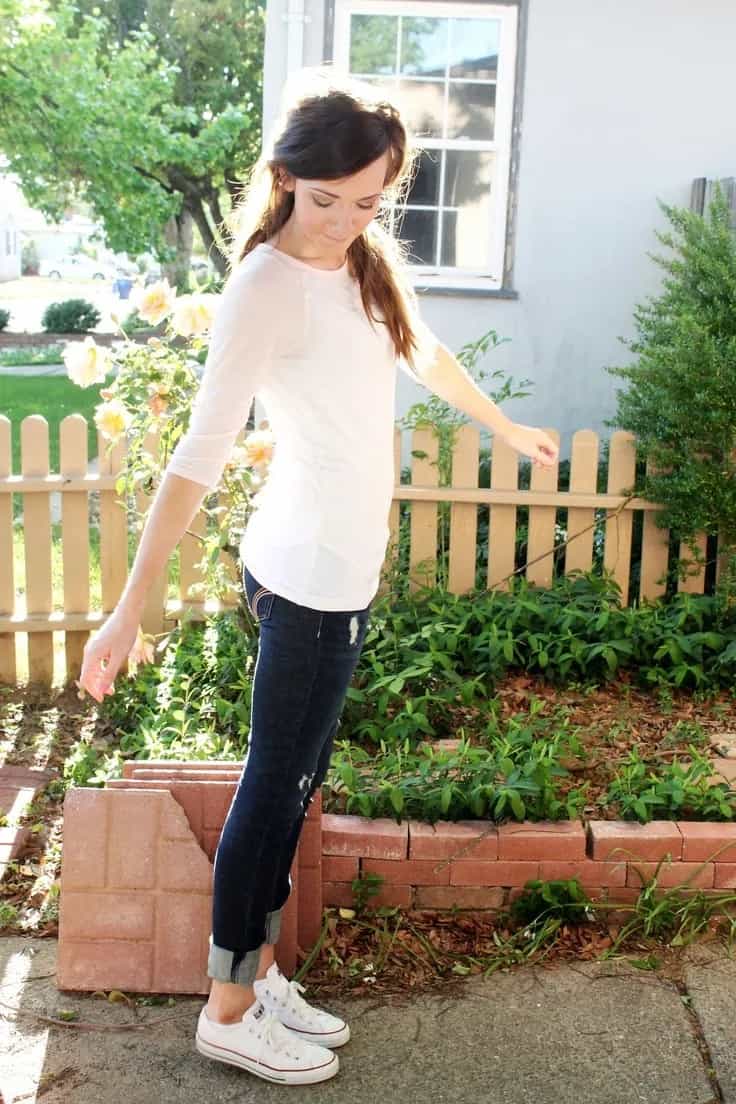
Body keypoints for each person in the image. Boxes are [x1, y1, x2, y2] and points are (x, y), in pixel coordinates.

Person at [78, 65, 558, 1087]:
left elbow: (419, 351)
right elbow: (196, 457)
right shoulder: (261, 287)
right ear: (286, 176)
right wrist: (131, 608)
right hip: (303, 574)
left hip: (340, 565)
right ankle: (228, 1006)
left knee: (291, 785)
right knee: (274, 789)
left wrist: (504, 424)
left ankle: (254, 976)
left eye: (369, 201)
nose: (344, 218)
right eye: (326, 197)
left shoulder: (363, 265)